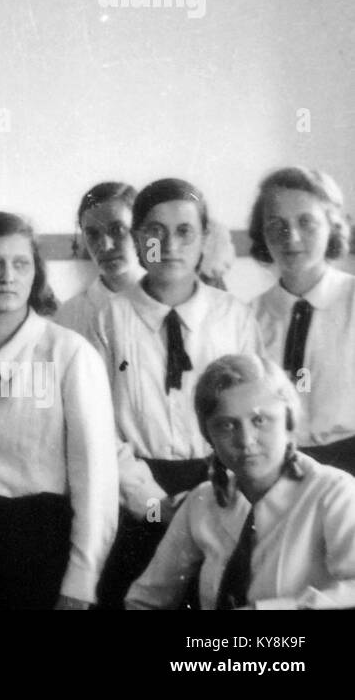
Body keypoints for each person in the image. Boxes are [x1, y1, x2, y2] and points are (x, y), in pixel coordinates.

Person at [0, 211, 117, 609]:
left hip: (38, 541)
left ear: (36, 273)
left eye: (20, 264)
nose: (7, 277)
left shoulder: (69, 355)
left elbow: (96, 480)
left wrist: (81, 581)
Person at [90, 178, 263, 609]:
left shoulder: (234, 318)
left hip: (222, 488)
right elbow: (96, 427)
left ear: (204, 238)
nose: (168, 245)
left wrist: (222, 490)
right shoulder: (108, 320)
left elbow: (255, 414)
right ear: (136, 238)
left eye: (184, 231)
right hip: (138, 496)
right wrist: (151, 502)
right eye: (154, 232)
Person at [127, 354, 355, 610]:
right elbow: (146, 599)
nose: (245, 441)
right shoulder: (203, 500)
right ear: (209, 436)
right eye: (226, 426)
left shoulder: (335, 494)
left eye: (260, 420)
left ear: (289, 423)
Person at [248, 167, 355, 474]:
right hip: (277, 469)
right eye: (276, 225)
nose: (291, 237)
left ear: (332, 226)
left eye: (306, 222)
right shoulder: (250, 316)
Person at [54, 182, 142, 339]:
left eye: (117, 230)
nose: (105, 246)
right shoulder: (68, 317)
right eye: (93, 234)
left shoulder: (170, 303)